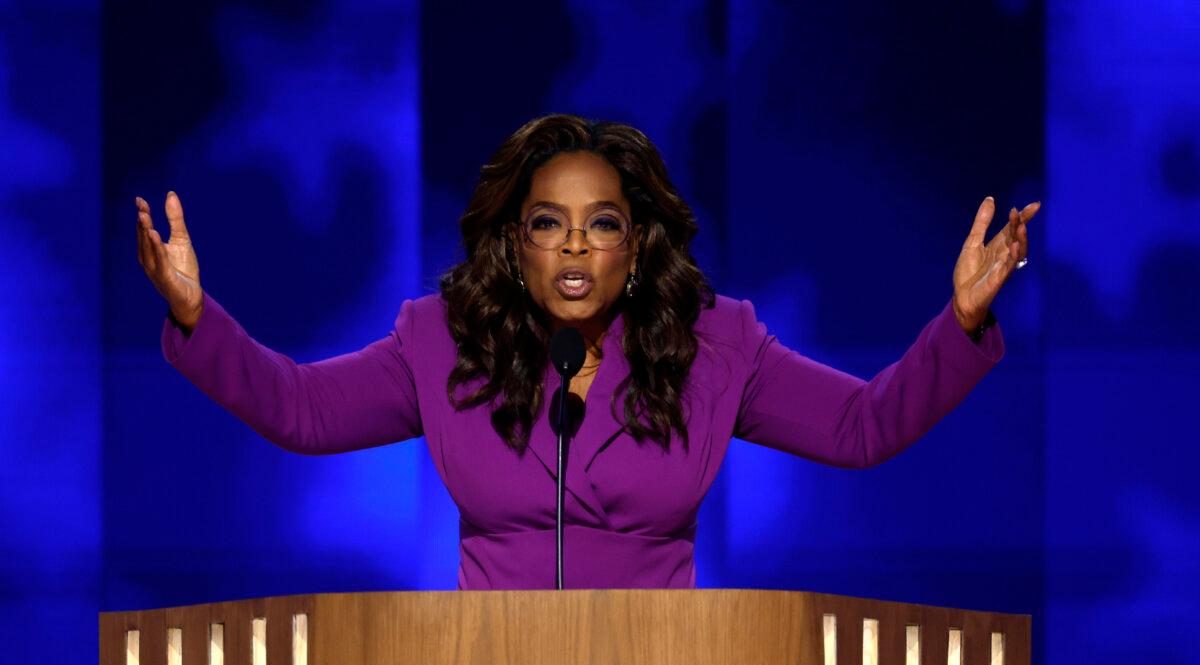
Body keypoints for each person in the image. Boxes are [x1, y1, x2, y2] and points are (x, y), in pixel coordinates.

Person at [134, 114, 1039, 590]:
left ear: (637, 244)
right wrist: (194, 316)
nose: (573, 248)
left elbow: (861, 426)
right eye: (547, 225)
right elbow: (300, 408)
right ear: (515, 245)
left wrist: (958, 324)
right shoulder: (441, 341)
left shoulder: (718, 346)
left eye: (601, 224)